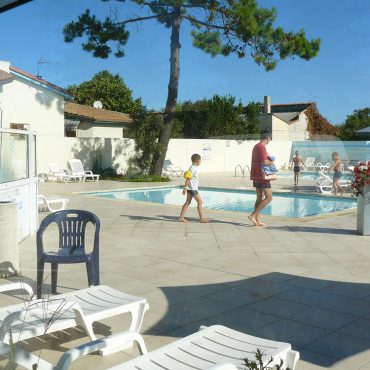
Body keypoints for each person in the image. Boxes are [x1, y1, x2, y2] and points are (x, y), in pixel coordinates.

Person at [249, 131, 274, 226]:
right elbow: (264, 162)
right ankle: (253, 215)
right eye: (270, 138)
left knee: (259, 198)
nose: (270, 140)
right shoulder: (261, 147)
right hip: (262, 176)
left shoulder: (256, 146)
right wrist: (272, 162)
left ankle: (256, 220)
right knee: (269, 197)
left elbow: (260, 160)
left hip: (256, 175)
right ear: (267, 137)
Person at [179, 153, 208, 223]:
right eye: (200, 160)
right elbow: (188, 178)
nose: (200, 162)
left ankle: (181, 217)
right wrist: (185, 188)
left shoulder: (193, 167)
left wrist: (186, 188)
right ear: (197, 161)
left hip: (191, 188)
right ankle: (201, 219)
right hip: (192, 189)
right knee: (200, 201)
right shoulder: (192, 168)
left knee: (188, 202)